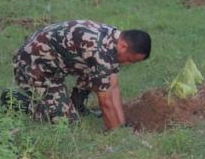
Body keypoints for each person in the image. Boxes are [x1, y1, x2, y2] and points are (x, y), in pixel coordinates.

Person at [8, 20, 151, 132]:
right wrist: (115, 133)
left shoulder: (114, 40)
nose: (126, 64)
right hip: (33, 66)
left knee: (100, 74)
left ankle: (76, 105)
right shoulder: (100, 51)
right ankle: (13, 100)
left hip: (55, 64)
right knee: (68, 123)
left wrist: (122, 124)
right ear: (124, 46)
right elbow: (105, 101)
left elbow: (113, 86)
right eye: (129, 60)